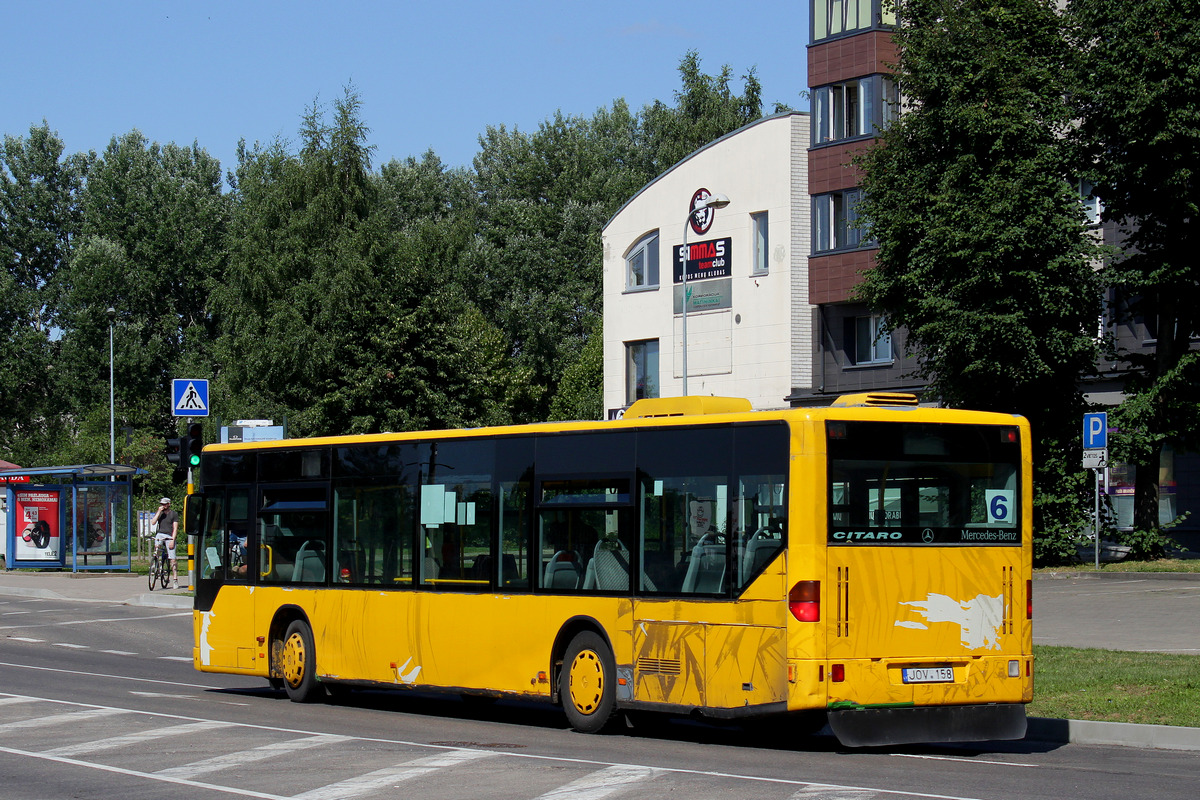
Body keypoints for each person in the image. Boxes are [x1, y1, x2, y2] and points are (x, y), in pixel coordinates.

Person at [150, 497, 180, 589]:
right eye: (162, 504)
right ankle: (156, 562)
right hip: (160, 534)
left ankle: (175, 579)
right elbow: (153, 522)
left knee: (172, 558)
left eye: (164, 504)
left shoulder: (173, 514)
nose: (163, 506)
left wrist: (173, 540)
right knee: (157, 545)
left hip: (169, 536)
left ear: (168, 504)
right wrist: (159, 512)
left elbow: (175, 528)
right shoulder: (160, 513)